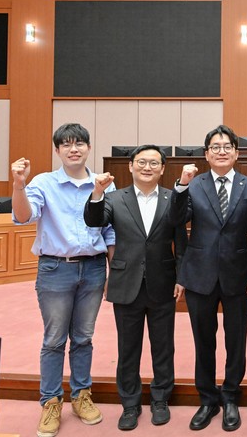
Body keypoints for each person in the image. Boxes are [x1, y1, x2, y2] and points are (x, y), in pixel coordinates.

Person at [11, 123, 115, 437]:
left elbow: (110, 231)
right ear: (57, 150)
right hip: (55, 269)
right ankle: (51, 401)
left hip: (94, 269)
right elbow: (23, 217)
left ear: (88, 148)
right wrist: (18, 185)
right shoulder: (44, 182)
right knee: (54, 339)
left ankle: (82, 395)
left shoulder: (103, 184)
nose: (73, 149)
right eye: (66, 144)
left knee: (83, 337)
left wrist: (113, 272)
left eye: (79, 143)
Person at [169, 125, 247, 432]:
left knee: (236, 340)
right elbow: (176, 220)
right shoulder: (193, 185)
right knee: (203, 341)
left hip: (238, 276)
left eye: (227, 147)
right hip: (200, 275)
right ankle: (208, 399)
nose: (221, 151)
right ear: (206, 154)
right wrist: (180, 186)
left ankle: (231, 396)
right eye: (215, 147)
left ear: (236, 153)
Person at [83, 144, 187, 431]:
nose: (147, 167)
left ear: (162, 169)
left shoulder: (173, 199)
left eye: (154, 163)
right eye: (141, 162)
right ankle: (130, 404)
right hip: (126, 283)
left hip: (163, 282)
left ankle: (160, 399)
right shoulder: (114, 198)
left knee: (163, 346)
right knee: (128, 348)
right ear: (130, 166)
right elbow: (94, 221)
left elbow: (181, 241)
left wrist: (182, 277)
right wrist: (97, 192)